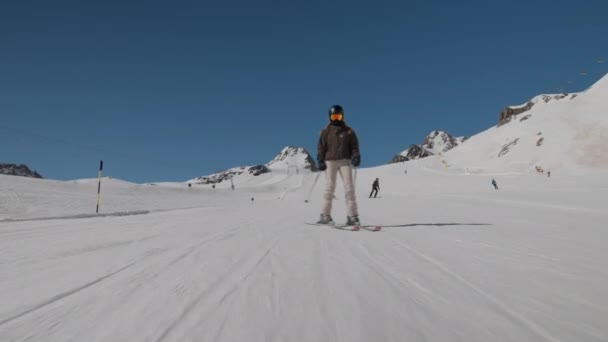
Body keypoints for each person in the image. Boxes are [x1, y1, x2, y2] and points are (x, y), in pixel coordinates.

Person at [316, 104, 361, 226]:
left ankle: (352, 216)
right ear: (330, 117)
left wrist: (356, 155)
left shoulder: (348, 131)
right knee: (330, 187)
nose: (336, 119)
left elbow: (354, 146)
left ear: (342, 117)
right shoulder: (325, 132)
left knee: (349, 187)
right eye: (334, 116)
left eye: (338, 116)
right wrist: (320, 160)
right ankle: (325, 215)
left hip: (345, 161)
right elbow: (321, 147)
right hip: (330, 161)